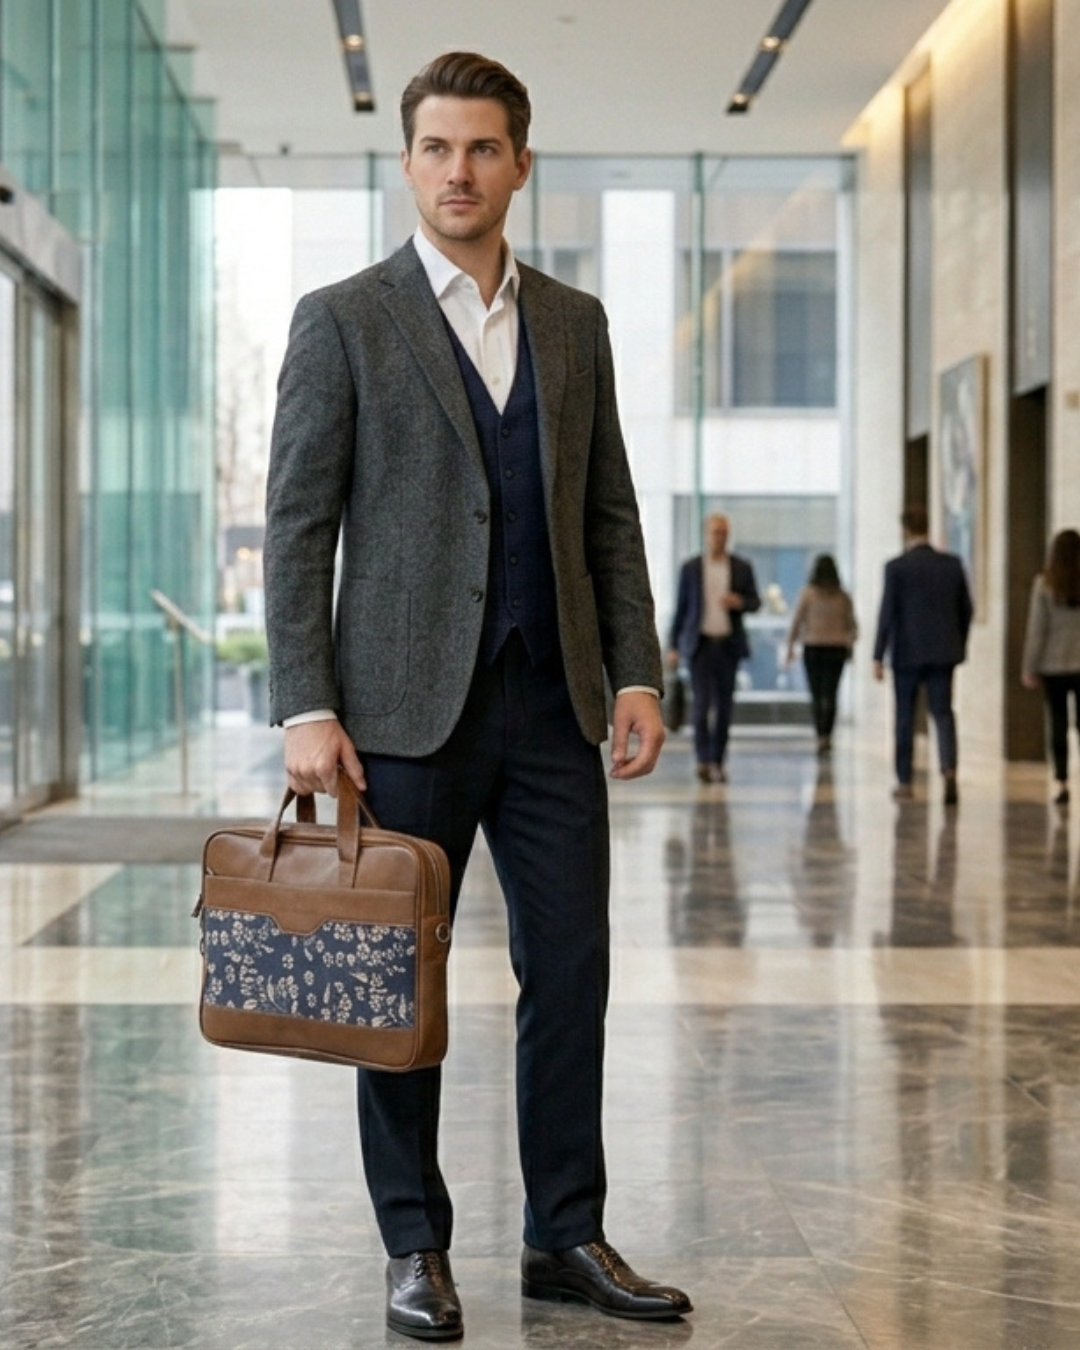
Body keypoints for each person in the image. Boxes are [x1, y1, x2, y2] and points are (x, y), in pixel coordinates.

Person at [262, 51, 692, 1342]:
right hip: (398, 715)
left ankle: (566, 1230)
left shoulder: (574, 322)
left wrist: (635, 670)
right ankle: (415, 1242)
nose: (460, 171)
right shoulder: (345, 317)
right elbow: (298, 524)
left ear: (520, 163)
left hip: (554, 705)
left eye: (484, 148)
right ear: (408, 163)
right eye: (438, 148)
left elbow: (609, 515)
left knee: (572, 970)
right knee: (396, 981)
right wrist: (306, 703)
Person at [872, 503, 974, 805]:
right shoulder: (952, 565)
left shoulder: (896, 568)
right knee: (943, 713)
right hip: (944, 652)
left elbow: (887, 613)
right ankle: (949, 771)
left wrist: (878, 655)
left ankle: (905, 781)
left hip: (906, 654)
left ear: (905, 529)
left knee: (905, 716)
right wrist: (958, 642)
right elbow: (966, 609)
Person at [667, 512, 760, 783]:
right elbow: (682, 609)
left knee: (724, 708)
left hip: (728, 646)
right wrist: (673, 645)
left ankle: (718, 761)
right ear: (706, 534)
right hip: (700, 646)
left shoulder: (741, 567)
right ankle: (703, 759)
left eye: (723, 532)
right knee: (700, 706)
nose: (719, 537)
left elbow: (755, 602)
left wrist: (739, 602)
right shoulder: (691, 568)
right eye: (715, 532)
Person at [1021, 528, 1080, 806]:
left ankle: (1062, 782)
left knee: (1057, 723)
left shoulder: (1044, 584)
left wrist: (1029, 666)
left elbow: (1037, 631)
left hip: (1053, 666)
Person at [785, 553, 858, 754]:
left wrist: (790, 646)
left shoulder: (807, 594)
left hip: (813, 647)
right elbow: (853, 626)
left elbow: (797, 621)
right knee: (831, 693)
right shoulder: (843, 597)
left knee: (817, 694)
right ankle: (828, 734)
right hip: (837, 649)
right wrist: (848, 641)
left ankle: (820, 734)